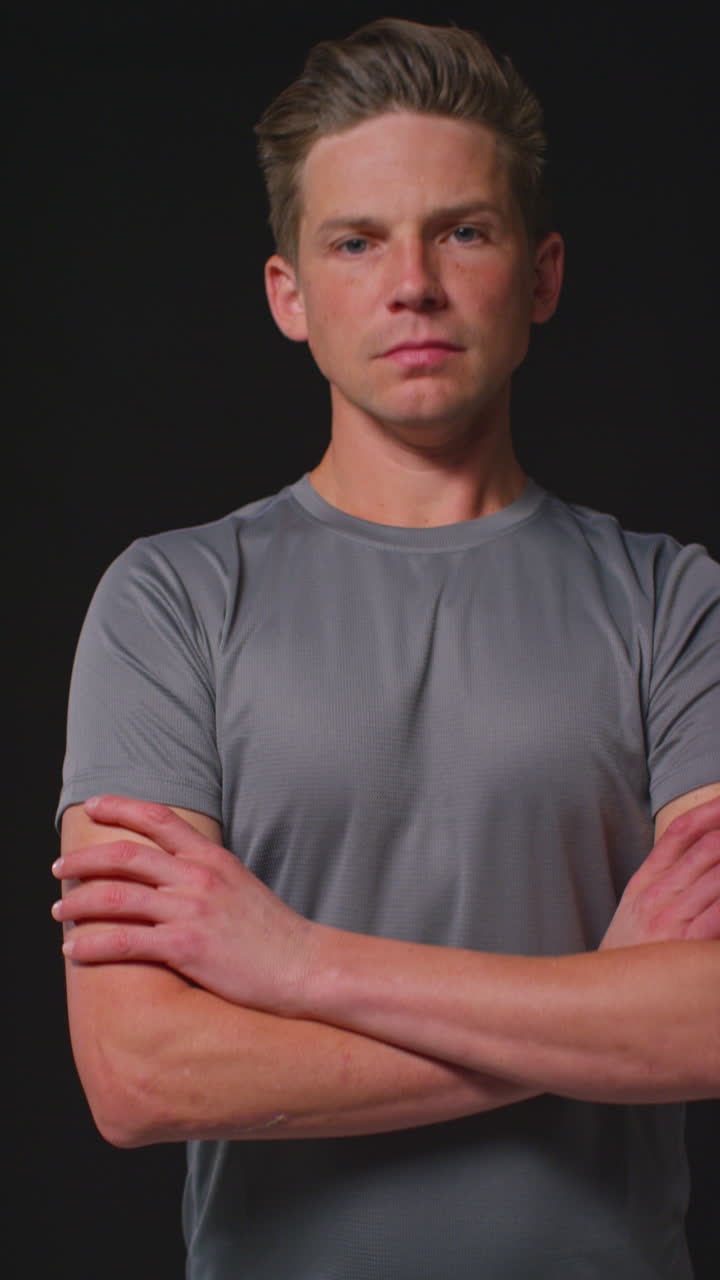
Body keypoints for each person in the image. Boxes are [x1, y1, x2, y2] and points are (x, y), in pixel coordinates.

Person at [54, 18, 720, 1280]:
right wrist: (594, 1002)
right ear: (289, 295)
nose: (412, 282)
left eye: (462, 231)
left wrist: (297, 964)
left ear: (541, 276)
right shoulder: (169, 601)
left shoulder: (676, 604)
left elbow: (712, 1025)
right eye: (356, 241)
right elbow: (140, 1072)